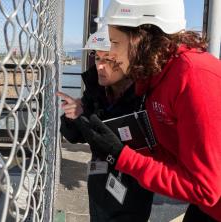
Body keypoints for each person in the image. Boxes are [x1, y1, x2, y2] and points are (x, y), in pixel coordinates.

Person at [81, 0, 221, 221]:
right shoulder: (157, 78)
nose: (111, 54)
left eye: (115, 43)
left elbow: (205, 188)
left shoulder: (194, 77)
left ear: (142, 39)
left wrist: (122, 156)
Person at [58, 25, 153, 222]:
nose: (100, 66)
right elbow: (74, 136)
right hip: (99, 180)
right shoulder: (96, 89)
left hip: (134, 186)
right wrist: (73, 116)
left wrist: (86, 116)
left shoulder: (145, 96)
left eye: (108, 59)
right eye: (97, 58)